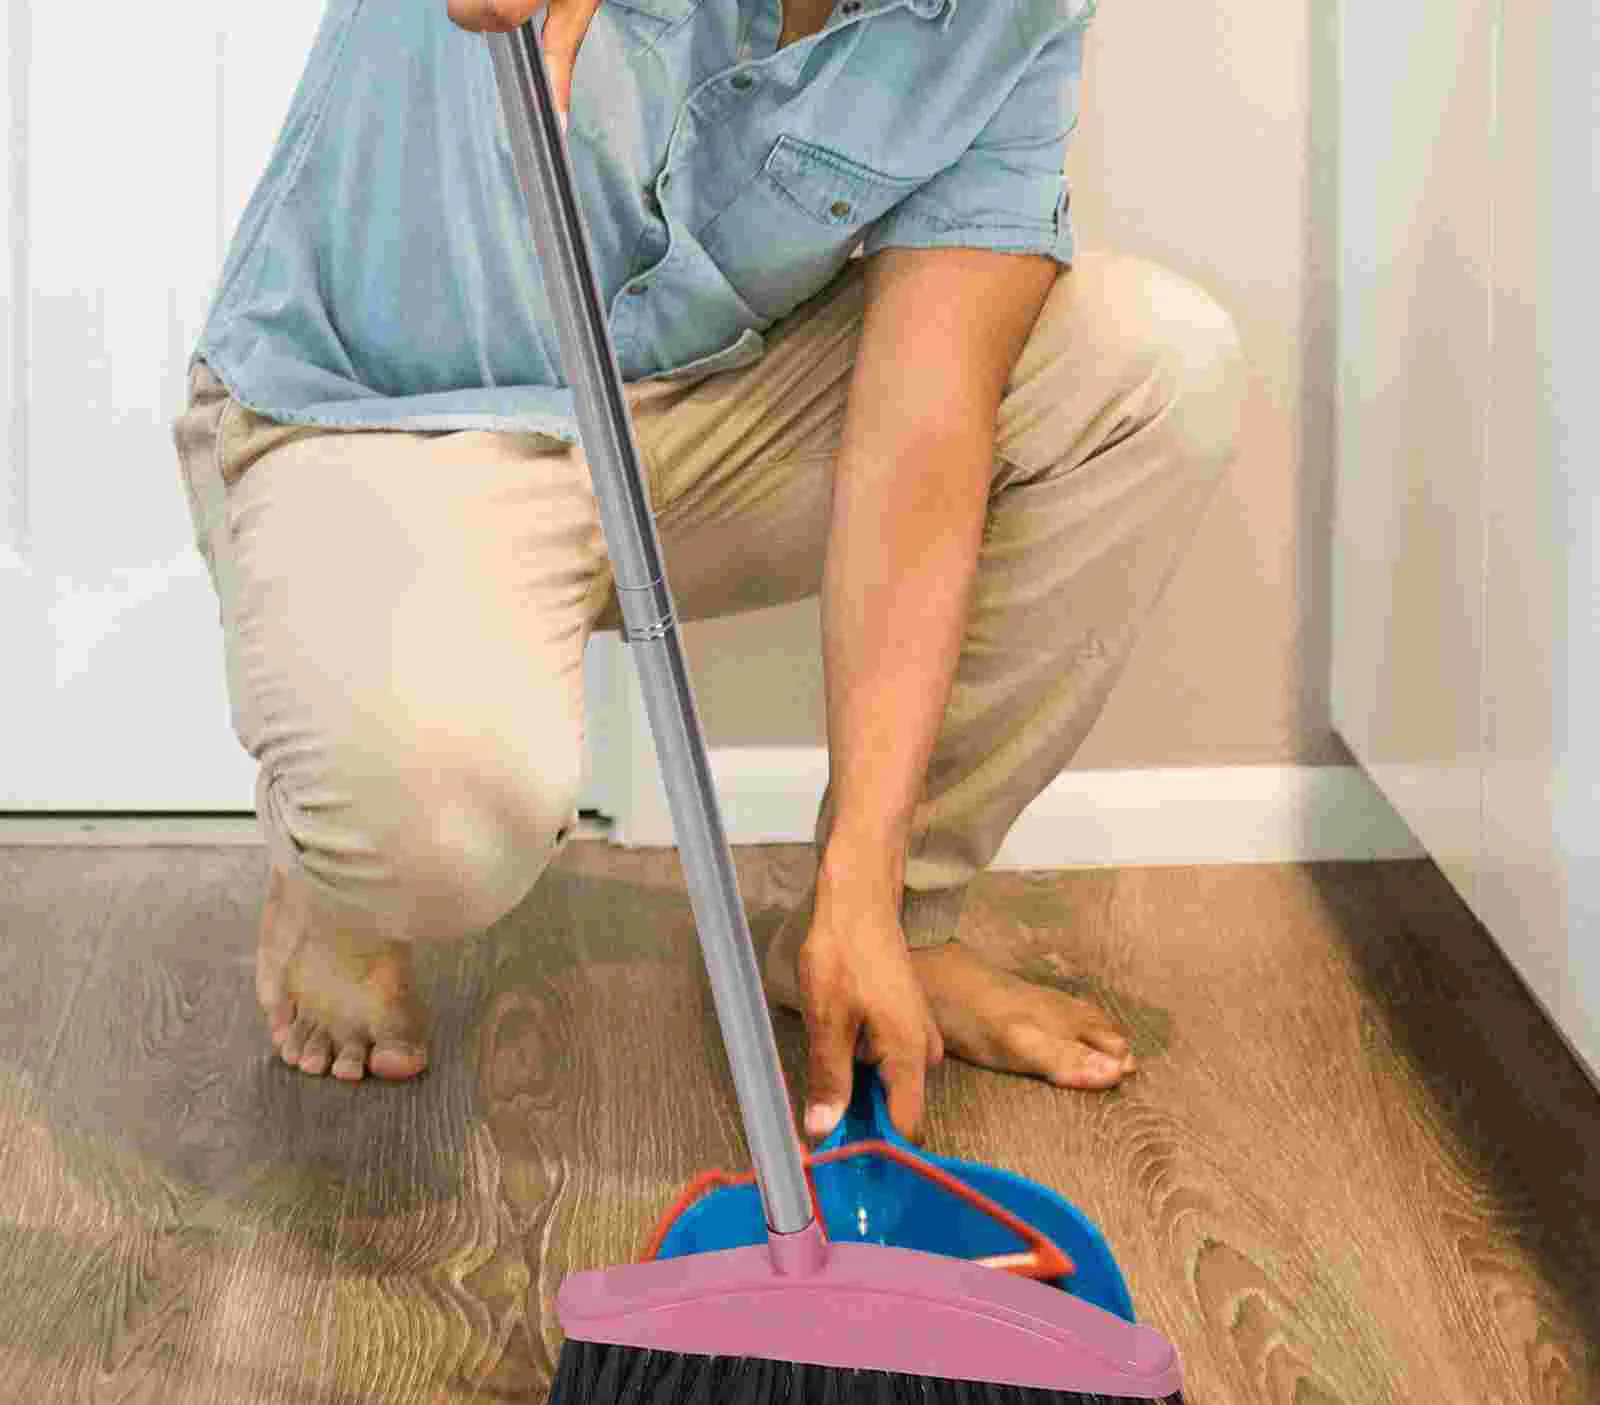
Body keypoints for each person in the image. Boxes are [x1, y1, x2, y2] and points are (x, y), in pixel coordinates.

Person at [170, 0, 1245, 1143]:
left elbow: (927, 421)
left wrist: (866, 878)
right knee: (426, 828)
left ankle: (879, 932)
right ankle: (339, 884)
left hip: (694, 422)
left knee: (1149, 369)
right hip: (385, 420)